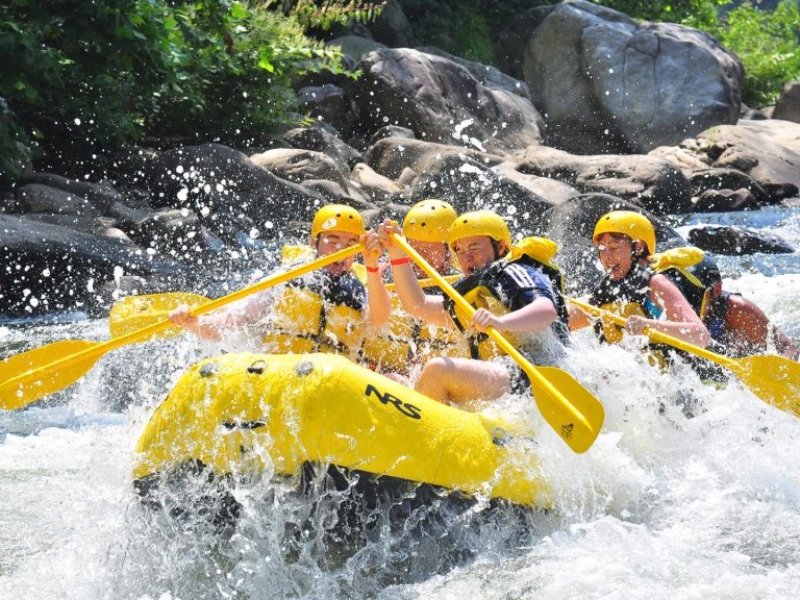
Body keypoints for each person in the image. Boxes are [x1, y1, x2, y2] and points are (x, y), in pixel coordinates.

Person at [379, 210, 569, 405]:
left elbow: (546, 310)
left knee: (437, 370)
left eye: (474, 248)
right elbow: (418, 305)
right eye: (459, 251)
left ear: (501, 246)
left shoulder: (514, 271)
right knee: (394, 382)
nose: (466, 257)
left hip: (536, 373)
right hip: (500, 377)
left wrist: (499, 322)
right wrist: (396, 251)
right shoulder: (470, 292)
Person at [169, 204, 391, 359]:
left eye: (351, 243)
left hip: (332, 385)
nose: (341, 250)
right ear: (314, 244)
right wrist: (193, 324)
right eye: (333, 241)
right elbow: (232, 320)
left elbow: (379, 320)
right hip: (282, 376)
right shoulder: (285, 280)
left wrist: (372, 265)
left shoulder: (360, 290)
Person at [568, 210, 710, 350]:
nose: (606, 256)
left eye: (613, 247)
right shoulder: (605, 292)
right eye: (602, 248)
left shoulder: (657, 282)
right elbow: (561, 323)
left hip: (677, 369)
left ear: (638, 248)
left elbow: (701, 335)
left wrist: (648, 325)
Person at [360, 199, 468, 372]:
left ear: (450, 254)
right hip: (383, 376)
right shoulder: (385, 275)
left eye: (428, 252)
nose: (419, 259)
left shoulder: (462, 287)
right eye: (414, 251)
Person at [691, 260, 799, 360]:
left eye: (694, 295)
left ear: (717, 290)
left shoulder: (737, 311)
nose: (687, 303)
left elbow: (788, 348)